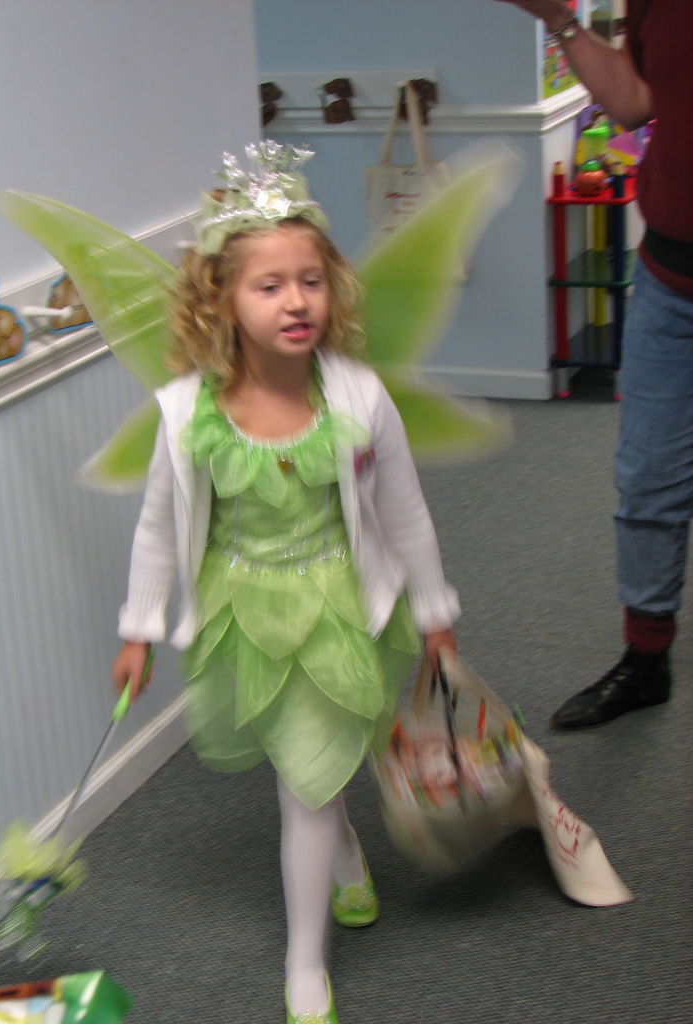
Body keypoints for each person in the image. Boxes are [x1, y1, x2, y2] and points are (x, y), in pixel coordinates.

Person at [110, 142, 459, 1024]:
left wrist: (435, 611)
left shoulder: (356, 397)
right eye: (269, 286)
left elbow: (405, 510)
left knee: (306, 784)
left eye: (310, 280)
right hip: (243, 613)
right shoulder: (186, 413)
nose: (296, 301)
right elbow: (158, 525)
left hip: (339, 607)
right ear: (221, 299)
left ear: (331, 286)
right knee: (301, 768)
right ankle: (345, 857)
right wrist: (139, 627)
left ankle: (307, 963)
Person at [495, 0, 693, 730]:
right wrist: (561, 22)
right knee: (647, 476)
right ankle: (646, 660)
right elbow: (637, 101)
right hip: (670, 281)